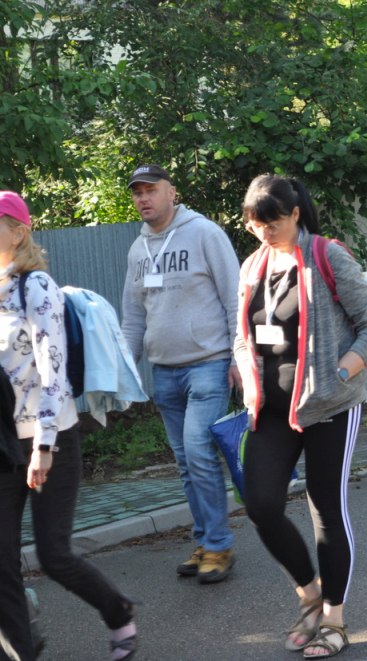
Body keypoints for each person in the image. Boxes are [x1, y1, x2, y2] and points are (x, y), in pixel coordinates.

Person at [234, 175, 367, 658]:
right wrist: (244, 372)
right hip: (272, 410)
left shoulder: (327, 256)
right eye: (255, 224)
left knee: (326, 509)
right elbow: (241, 336)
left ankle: (334, 621)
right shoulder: (253, 266)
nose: (265, 232)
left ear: (296, 214)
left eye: (273, 222)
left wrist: (342, 372)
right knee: (260, 504)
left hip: (329, 406)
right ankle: (309, 594)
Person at [0, 192, 138, 661]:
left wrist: (43, 446)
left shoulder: (35, 286)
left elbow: (52, 370)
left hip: (49, 438)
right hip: (3, 443)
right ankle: (21, 649)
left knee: (54, 555)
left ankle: (117, 610)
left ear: (18, 232)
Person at [121, 165, 240, 584]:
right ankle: (206, 540)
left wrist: (239, 356)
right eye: (137, 192)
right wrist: (124, 371)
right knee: (187, 463)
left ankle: (219, 545)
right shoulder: (138, 250)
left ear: (172, 192)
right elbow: (133, 317)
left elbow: (235, 297)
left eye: (151, 190)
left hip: (208, 364)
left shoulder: (204, 233)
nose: (143, 198)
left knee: (199, 452)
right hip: (164, 372)